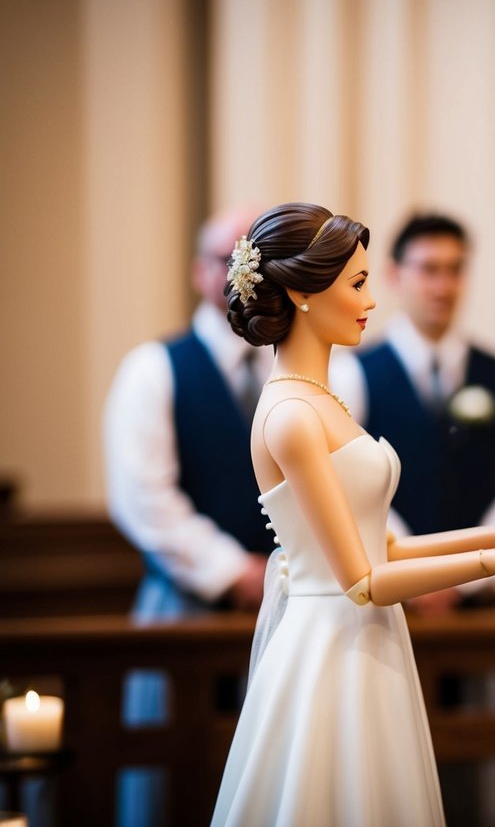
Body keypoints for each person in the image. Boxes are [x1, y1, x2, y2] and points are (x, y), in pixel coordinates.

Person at [210, 202, 495, 825]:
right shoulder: (292, 415)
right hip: (332, 645)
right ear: (301, 293)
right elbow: (363, 581)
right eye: (357, 284)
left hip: (366, 636)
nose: (371, 300)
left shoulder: (322, 400)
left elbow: (387, 549)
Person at [104, 208, 273, 826]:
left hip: (289, 615)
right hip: (187, 610)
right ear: (199, 271)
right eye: (227, 256)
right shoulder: (153, 369)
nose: (242, 271)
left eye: (255, 256)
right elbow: (143, 499)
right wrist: (236, 571)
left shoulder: (305, 369)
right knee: (176, 784)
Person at [337, 213, 495, 615]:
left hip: (480, 594)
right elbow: (349, 489)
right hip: (389, 595)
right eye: (429, 270)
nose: (443, 286)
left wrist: (465, 573)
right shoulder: (352, 373)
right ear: (394, 275)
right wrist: (414, 569)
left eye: (455, 270)